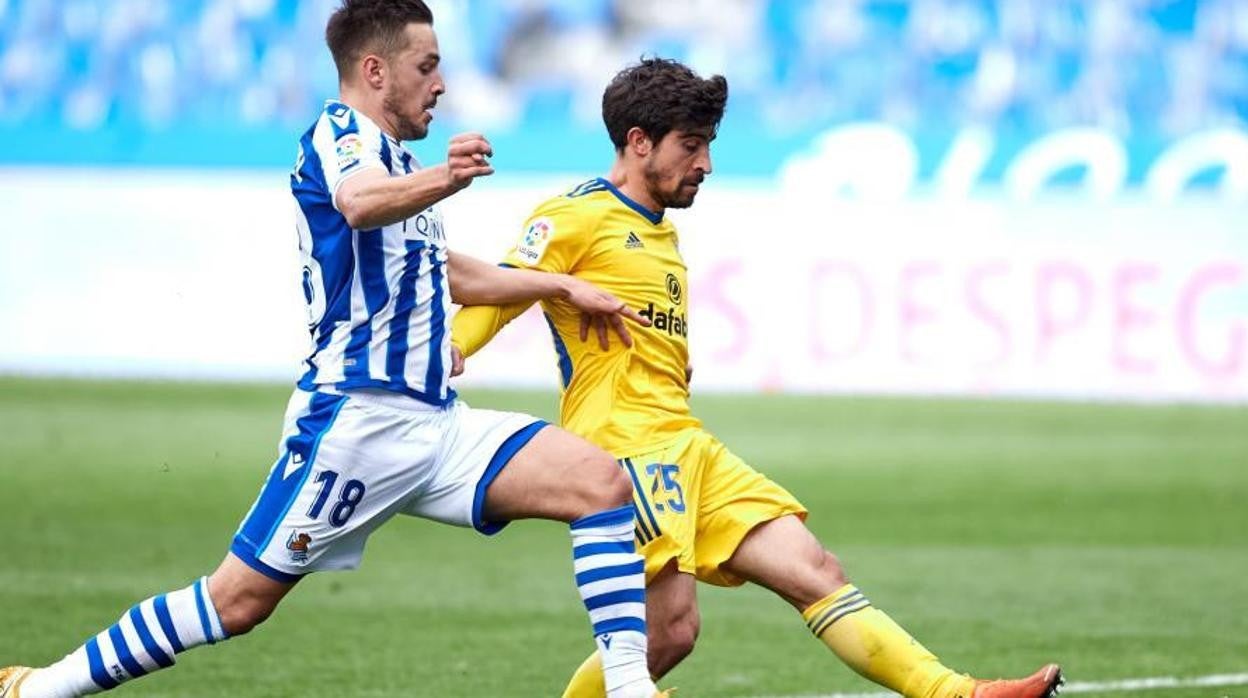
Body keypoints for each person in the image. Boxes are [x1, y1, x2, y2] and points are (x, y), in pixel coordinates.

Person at [0, 3, 668, 697]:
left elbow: (445, 270)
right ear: (375, 71)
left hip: (437, 425)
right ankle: (41, 688)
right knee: (236, 603)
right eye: (426, 66)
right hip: (357, 425)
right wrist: (447, 176)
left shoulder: (399, 163)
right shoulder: (340, 134)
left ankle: (629, 689)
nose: (440, 84)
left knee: (599, 484)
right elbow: (355, 203)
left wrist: (560, 287)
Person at [450, 58, 1065, 698]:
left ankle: (959, 695)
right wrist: (454, 348)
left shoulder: (658, 232)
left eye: (708, 145)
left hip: (688, 444)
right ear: (638, 142)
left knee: (814, 567)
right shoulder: (574, 215)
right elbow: (502, 291)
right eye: (691, 146)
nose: (706, 164)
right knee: (669, 632)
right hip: (625, 449)